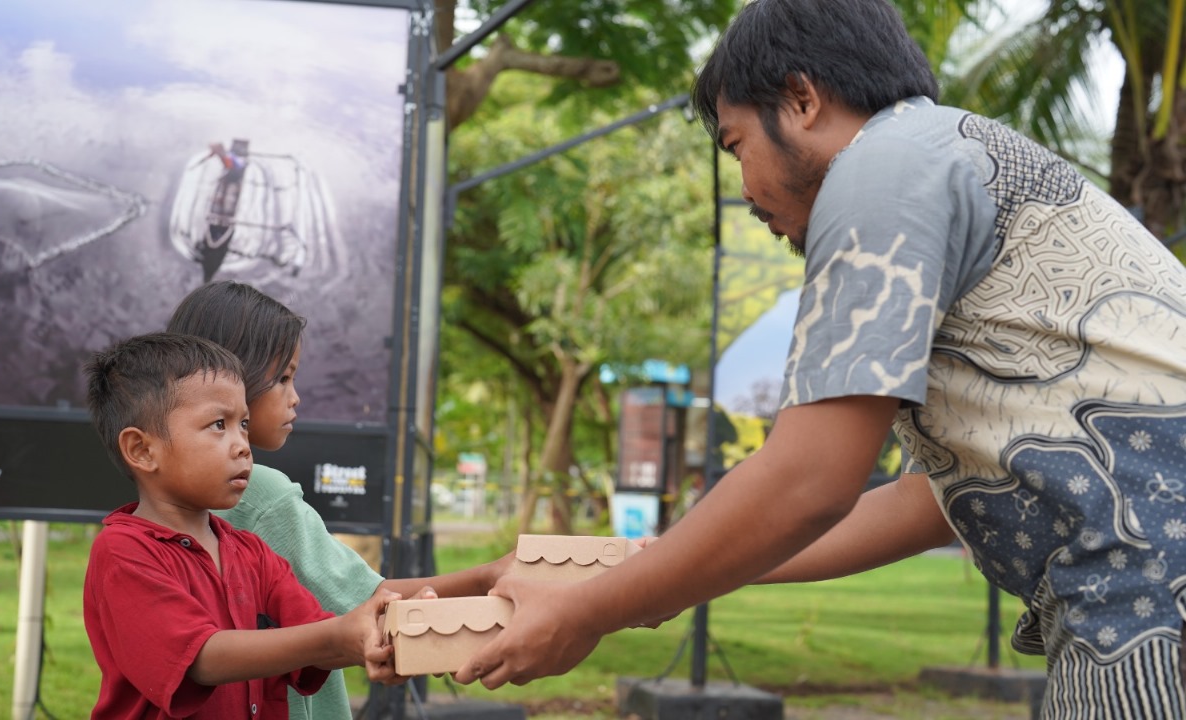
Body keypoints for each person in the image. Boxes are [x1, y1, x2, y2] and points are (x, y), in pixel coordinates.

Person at [453, 0, 1186, 716]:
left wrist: (588, 614)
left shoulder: (885, 166)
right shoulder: (945, 158)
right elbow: (931, 503)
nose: (745, 191)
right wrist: (628, 569)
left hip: (1149, 602)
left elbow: (808, 482)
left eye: (737, 145)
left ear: (801, 98)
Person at [167, 280, 515, 720]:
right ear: (235, 381)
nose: (295, 398)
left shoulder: (164, 507)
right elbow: (368, 603)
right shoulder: (260, 494)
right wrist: (489, 578)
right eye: (285, 378)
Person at [81, 332, 401, 719]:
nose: (242, 445)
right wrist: (341, 636)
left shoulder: (252, 552)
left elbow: (318, 630)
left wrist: (385, 634)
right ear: (142, 450)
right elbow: (202, 659)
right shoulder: (123, 553)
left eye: (244, 424)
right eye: (219, 424)